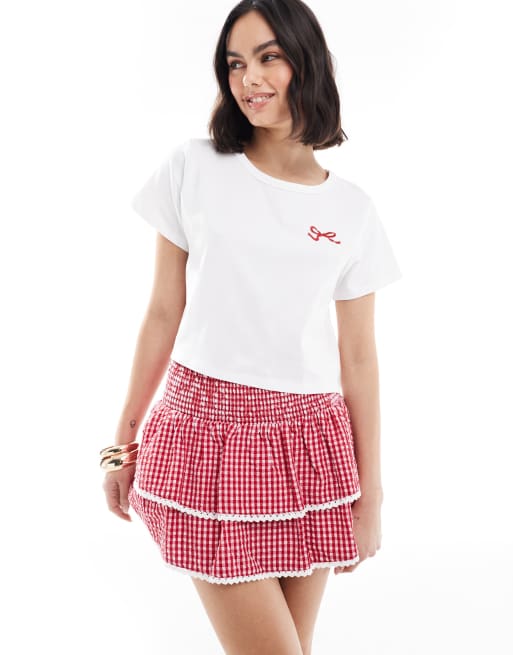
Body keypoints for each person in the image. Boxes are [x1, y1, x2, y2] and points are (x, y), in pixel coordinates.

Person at [101, 0, 402, 653]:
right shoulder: (194, 167)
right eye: (235, 63)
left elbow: (359, 357)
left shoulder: (352, 210)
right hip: (204, 433)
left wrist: (371, 495)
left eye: (269, 57)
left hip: (311, 446)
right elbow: (162, 312)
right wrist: (121, 444)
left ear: (306, 62)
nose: (249, 79)